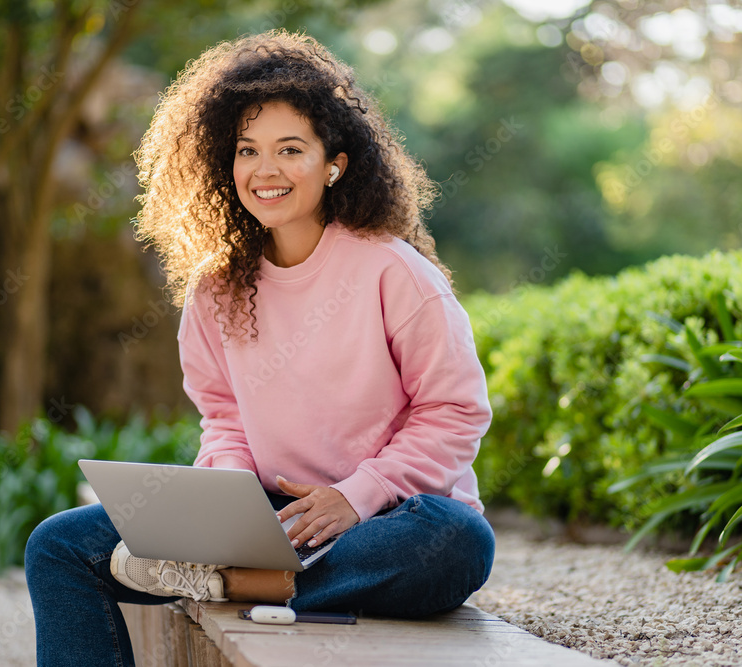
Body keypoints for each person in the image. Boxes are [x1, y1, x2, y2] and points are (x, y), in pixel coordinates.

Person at [24, 29, 495, 666]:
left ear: (335, 164)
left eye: (290, 149)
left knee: (459, 540)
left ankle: (237, 586)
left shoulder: (396, 272)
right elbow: (222, 419)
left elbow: (455, 410)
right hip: (265, 516)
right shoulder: (216, 289)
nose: (264, 170)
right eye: (247, 150)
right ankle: (246, 574)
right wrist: (227, 505)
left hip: (386, 516)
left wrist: (354, 496)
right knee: (58, 545)